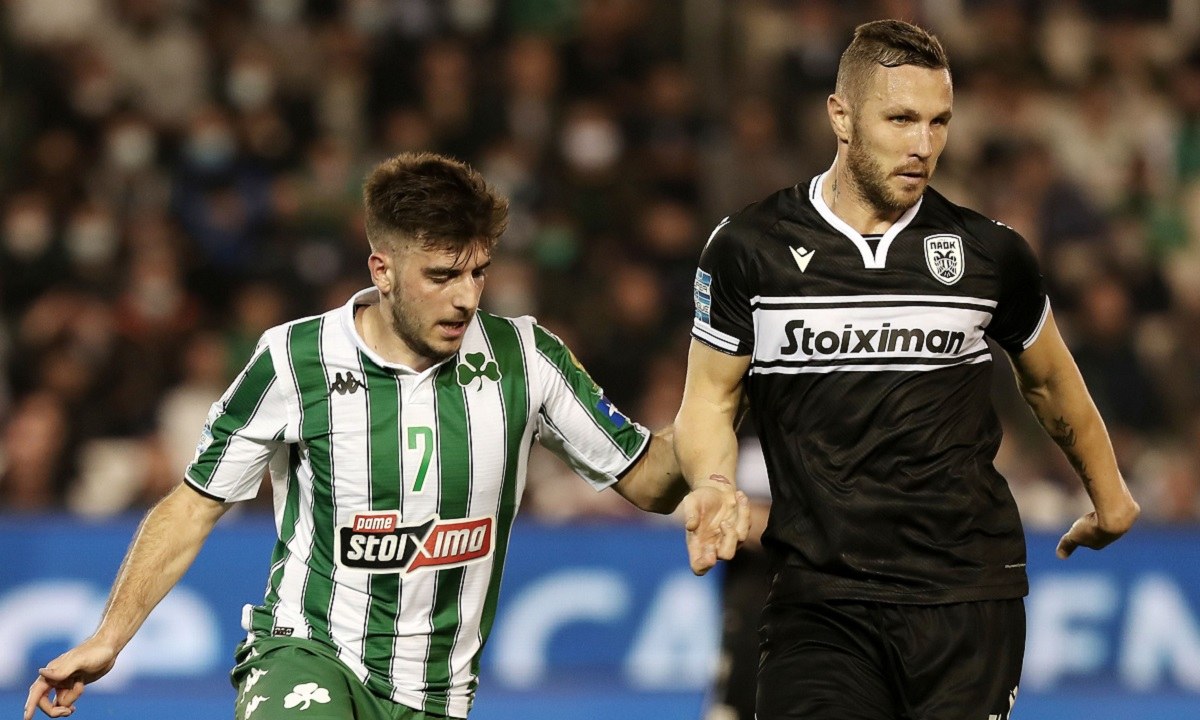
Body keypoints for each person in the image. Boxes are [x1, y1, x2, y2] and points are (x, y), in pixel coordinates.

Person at [25, 152, 748, 720]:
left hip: (437, 694)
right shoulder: (295, 359)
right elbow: (193, 504)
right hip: (307, 654)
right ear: (383, 268)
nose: (466, 297)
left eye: (479, 272)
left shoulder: (526, 359)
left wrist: (723, 396)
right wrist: (109, 636)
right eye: (443, 275)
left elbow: (649, 480)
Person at [674, 19, 1140, 720]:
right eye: (900, 119)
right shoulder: (750, 248)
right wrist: (713, 483)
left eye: (938, 121)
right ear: (841, 116)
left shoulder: (989, 254)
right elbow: (710, 400)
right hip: (818, 601)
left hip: (966, 600)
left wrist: (1110, 496)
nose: (923, 144)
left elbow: (1048, 379)